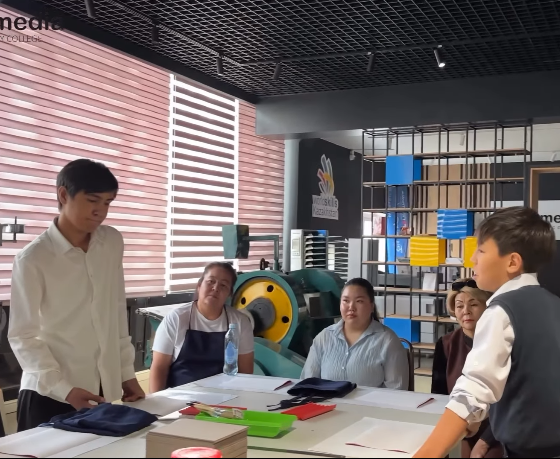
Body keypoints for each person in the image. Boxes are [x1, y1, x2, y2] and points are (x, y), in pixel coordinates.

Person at [8, 159, 145, 432]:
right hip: (49, 395)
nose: (100, 211)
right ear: (63, 195)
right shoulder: (33, 258)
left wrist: (126, 374)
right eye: (92, 200)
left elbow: (116, 313)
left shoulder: (111, 242)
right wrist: (64, 389)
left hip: (101, 392)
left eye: (107, 202)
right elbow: (22, 337)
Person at [414, 206, 560, 458]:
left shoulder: (501, 311)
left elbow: (474, 390)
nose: (473, 258)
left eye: (481, 250)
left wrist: (426, 454)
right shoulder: (553, 304)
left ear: (512, 262)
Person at [149, 262, 254, 392]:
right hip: (180, 397)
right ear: (199, 285)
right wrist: (157, 401)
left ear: (229, 294)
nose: (215, 288)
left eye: (223, 285)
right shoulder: (176, 319)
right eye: (211, 282)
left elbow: (245, 373)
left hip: (225, 397)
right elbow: (159, 368)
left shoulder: (240, 323)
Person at [431, 278, 502, 459]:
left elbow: (509, 402)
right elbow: (438, 396)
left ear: (487, 307)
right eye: (459, 306)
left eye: (474, 304)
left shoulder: (501, 343)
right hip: (459, 424)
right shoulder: (445, 344)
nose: (466, 311)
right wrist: (457, 435)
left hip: (496, 429)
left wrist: (485, 440)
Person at [301, 278, 409, 389]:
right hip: (325, 400)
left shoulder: (388, 341)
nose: (351, 307)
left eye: (359, 301)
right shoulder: (323, 338)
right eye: (346, 301)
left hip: (371, 401)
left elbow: (397, 390)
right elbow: (308, 383)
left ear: (371, 306)